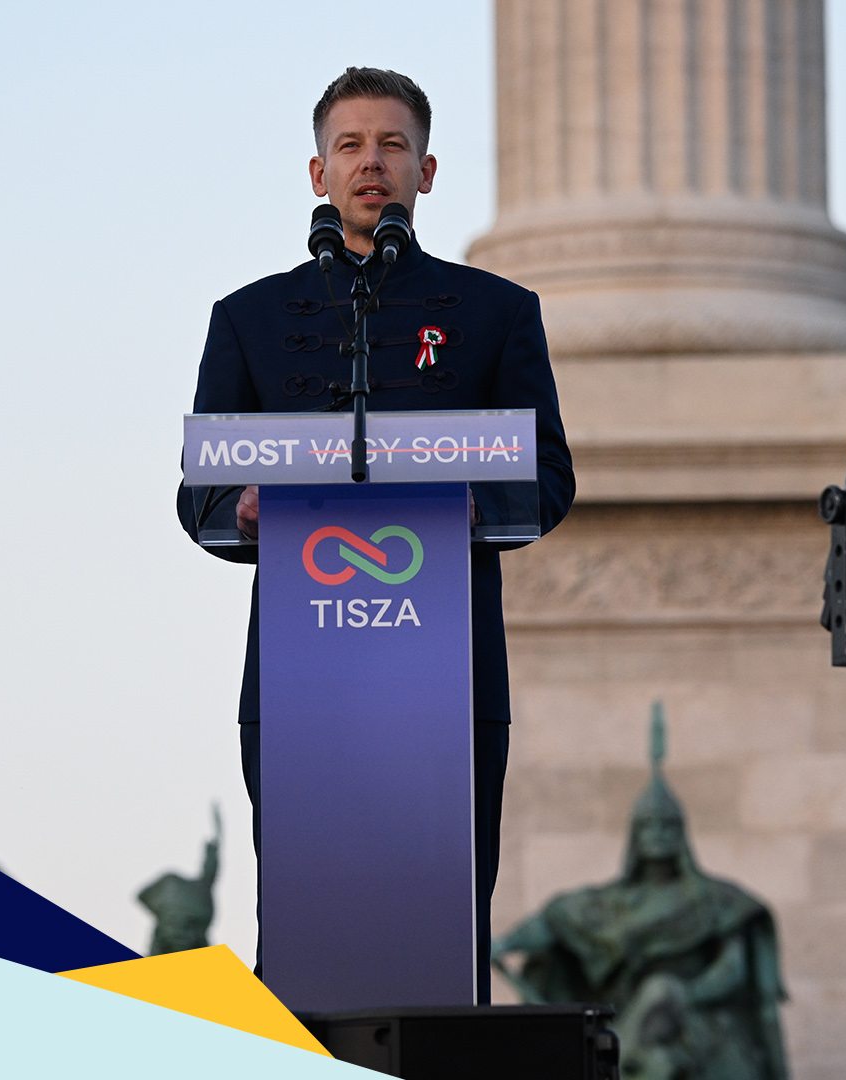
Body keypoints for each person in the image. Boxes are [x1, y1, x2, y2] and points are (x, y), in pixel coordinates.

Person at [176, 66, 575, 1002]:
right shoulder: (247, 319)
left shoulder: (497, 313)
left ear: (425, 172)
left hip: (448, 677)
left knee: (441, 927)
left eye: (393, 145)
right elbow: (199, 493)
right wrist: (239, 506)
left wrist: (472, 505)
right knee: (306, 927)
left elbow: (549, 478)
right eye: (350, 146)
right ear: (318, 173)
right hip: (301, 677)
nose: (372, 163)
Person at [491, 706, 788, 1078]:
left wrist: (683, 994)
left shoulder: (717, 899)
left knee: (664, 1000)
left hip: (690, 1020)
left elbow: (733, 968)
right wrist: (503, 944)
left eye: (667, 827)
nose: (658, 836)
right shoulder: (609, 903)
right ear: (636, 835)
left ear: (681, 834)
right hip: (628, 1023)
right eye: (649, 826)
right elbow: (557, 919)